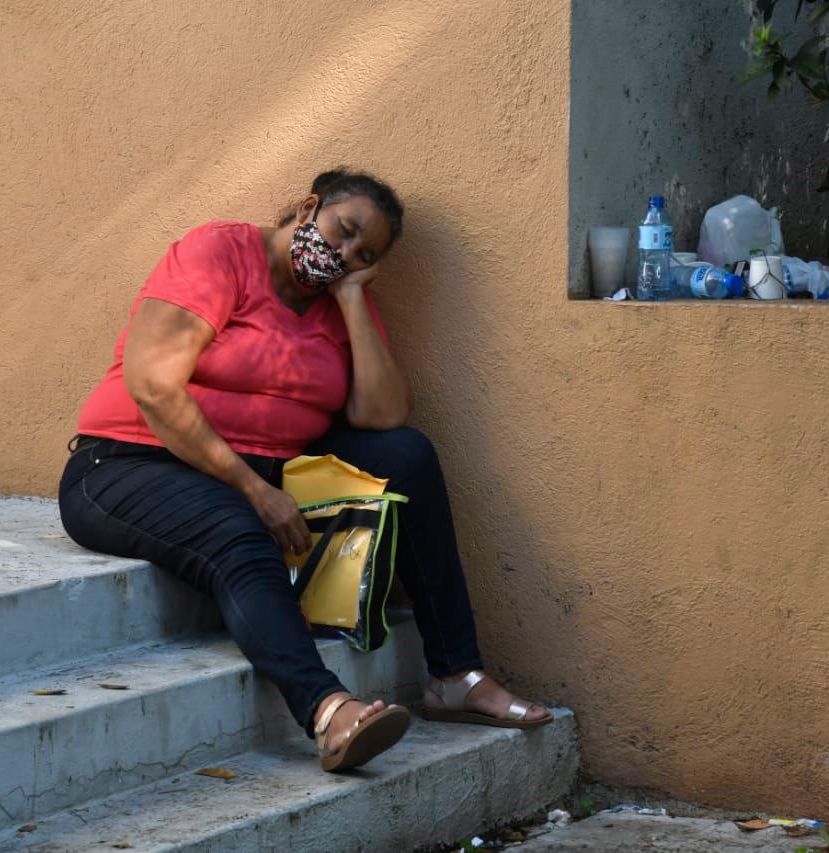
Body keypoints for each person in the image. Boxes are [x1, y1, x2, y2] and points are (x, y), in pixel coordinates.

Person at [58, 168, 550, 773]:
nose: (343, 254)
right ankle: (328, 711)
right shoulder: (219, 252)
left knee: (408, 454)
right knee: (237, 531)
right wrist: (254, 490)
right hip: (127, 464)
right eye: (343, 230)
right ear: (307, 207)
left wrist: (351, 300)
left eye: (362, 254)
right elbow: (154, 386)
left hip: (264, 468)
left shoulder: (335, 301)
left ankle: (455, 674)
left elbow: (382, 414)